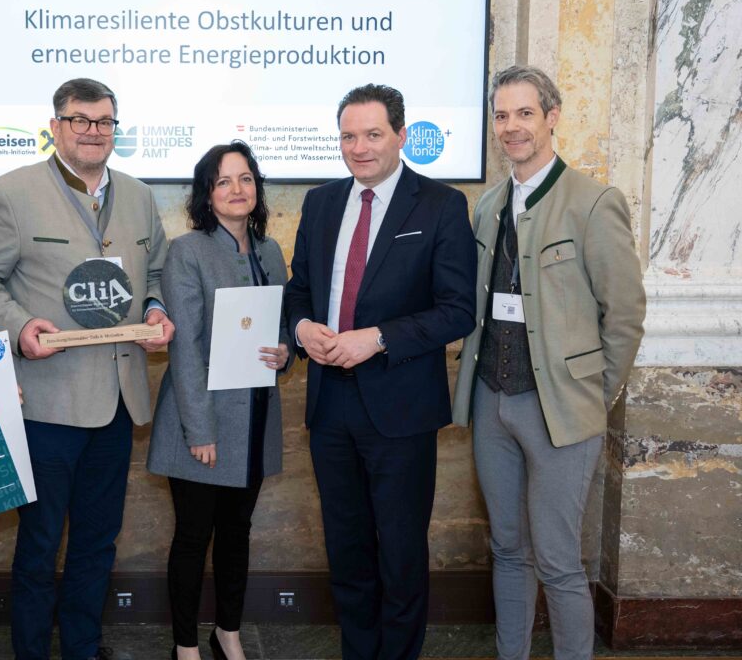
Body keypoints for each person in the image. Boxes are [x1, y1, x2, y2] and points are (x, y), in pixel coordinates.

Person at [0, 78, 174, 660]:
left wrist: (156, 308)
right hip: (46, 404)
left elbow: (154, 274)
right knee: (40, 543)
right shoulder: (12, 192)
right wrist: (18, 327)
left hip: (118, 402)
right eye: (80, 120)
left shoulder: (139, 196)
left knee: (98, 543)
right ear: (55, 127)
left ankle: (83, 646)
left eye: (104, 121)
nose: (93, 131)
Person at [452, 65, 645, 660]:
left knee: (560, 561)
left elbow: (625, 315)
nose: (511, 127)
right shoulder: (487, 206)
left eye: (525, 113)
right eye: (501, 116)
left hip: (562, 411)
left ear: (552, 117)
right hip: (491, 403)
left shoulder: (594, 203)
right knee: (508, 550)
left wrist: (592, 396)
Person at [284, 83, 476, 660]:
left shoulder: (440, 204)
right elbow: (298, 291)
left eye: (372, 134)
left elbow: (458, 310)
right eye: (348, 136)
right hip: (329, 405)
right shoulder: (321, 202)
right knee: (346, 551)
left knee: (400, 553)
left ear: (401, 135)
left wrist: (379, 338)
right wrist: (302, 328)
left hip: (400, 408)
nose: (359, 147)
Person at [146, 142, 290, 660]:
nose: (236, 189)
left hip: (255, 421)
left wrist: (285, 352)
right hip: (202, 423)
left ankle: (227, 631)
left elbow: (280, 325)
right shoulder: (187, 251)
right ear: (206, 194)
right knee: (193, 537)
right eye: (223, 181)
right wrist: (199, 431)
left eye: (245, 178)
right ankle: (185, 644)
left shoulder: (270, 251)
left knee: (237, 533)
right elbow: (184, 347)